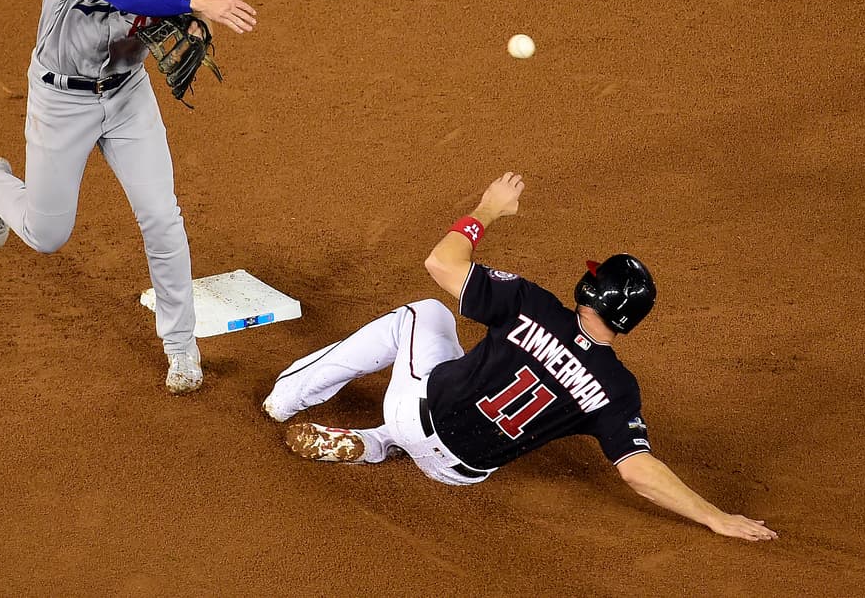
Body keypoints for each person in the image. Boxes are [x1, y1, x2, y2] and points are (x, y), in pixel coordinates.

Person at [262, 172, 777, 541]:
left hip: (416, 411)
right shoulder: (619, 390)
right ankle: (374, 445)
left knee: (422, 316)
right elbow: (638, 471)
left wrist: (488, 209)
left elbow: (440, 262)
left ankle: (284, 401)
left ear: (590, 292)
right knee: (462, 378)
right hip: (460, 473)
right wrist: (715, 517)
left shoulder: (533, 305)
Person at [0, 0, 257, 395]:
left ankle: (181, 346)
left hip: (129, 97)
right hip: (63, 101)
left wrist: (194, 25)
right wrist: (199, 1)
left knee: (163, 218)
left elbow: (176, 13)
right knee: (48, 234)